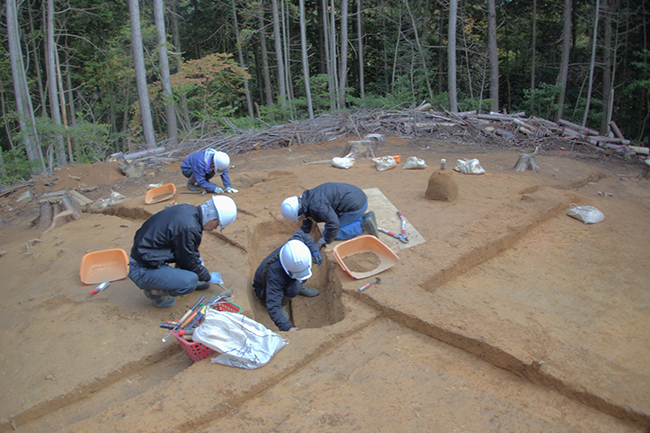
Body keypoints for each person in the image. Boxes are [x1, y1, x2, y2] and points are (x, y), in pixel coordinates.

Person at [128, 196, 237, 308]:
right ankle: (155, 291)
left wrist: (199, 267)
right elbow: (189, 260)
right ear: (212, 217)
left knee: (192, 262)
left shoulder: (189, 210)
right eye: (217, 224)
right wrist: (207, 277)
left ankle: (171, 279)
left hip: (147, 254)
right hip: (141, 268)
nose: (215, 228)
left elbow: (186, 251)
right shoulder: (189, 228)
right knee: (190, 281)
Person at [252, 231, 323, 332]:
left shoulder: (295, 246)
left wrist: (315, 250)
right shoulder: (274, 275)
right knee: (294, 288)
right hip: (264, 290)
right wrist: (287, 327)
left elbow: (301, 234)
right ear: (288, 269)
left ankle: (300, 286)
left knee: (301, 274)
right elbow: (273, 305)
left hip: (285, 275)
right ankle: (283, 303)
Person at [280, 182, 378, 248]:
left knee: (333, 231)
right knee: (331, 223)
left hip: (357, 206)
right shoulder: (307, 199)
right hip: (356, 196)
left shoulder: (317, 207)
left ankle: (362, 225)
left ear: (300, 213)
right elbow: (308, 217)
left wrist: (326, 240)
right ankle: (363, 217)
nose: (300, 219)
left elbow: (334, 225)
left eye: (299, 218)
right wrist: (304, 233)